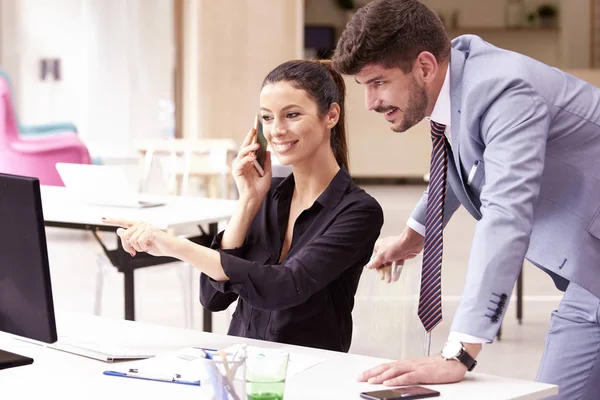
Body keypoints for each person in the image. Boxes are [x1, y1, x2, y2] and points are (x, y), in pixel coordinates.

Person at [331, 0, 600, 398]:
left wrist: (460, 353)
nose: (370, 103)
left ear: (424, 66)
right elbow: (466, 163)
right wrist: (415, 233)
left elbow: (506, 214)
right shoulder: (459, 76)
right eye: (363, 87)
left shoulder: (504, 90)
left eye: (378, 83)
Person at [103, 59, 384, 353]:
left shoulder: (358, 212)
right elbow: (213, 299)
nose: (276, 130)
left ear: (331, 115)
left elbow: (285, 286)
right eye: (266, 118)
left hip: (308, 372)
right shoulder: (266, 196)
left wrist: (174, 245)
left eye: (292, 115)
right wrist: (247, 202)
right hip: (240, 364)